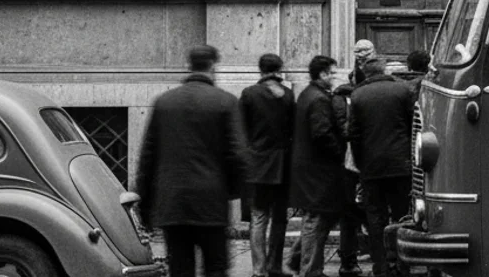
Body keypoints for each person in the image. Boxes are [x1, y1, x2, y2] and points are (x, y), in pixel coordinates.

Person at [135, 45, 249, 277]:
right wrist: (231, 192)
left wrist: (145, 207)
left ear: (188, 65)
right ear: (213, 67)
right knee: (215, 268)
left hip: (173, 202)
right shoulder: (225, 102)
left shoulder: (164, 102)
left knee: (180, 268)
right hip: (211, 201)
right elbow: (239, 155)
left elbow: (147, 158)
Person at [349, 57, 414, 277]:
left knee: (375, 218)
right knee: (402, 216)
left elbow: (354, 134)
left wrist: (360, 163)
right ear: (384, 70)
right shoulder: (402, 90)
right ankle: (402, 265)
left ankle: (381, 266)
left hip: (371, 166)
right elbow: (412, 126)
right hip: (400, 164)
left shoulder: (358, 95)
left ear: (366, 73)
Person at [289, 55, 346, 277]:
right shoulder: (319, 99)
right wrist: (340, 152)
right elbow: (322, 133)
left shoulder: (308, 94)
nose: (334, 77)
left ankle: (297, 260)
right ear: (322, 74)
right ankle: (310, 270)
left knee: (321, 217)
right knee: (316, 219)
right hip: (318, 170)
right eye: (332, 73)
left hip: (310, 168)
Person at [240, 53, 295, 277]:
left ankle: (259, 269)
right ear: (279, 69)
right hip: (282, 165)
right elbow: (292, 131)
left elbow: (242, 129)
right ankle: (275, 265)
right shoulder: (288, 95)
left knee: (259, 217)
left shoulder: (249, 94)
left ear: (260, 70)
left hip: (258, 164)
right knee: (280, 218)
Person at [333, 70, 368, 276]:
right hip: (357, 164)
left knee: (349, 216)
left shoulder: (339, 99)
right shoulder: (352, 100)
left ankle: (349, 260)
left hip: (348, 165)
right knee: (359, 214)